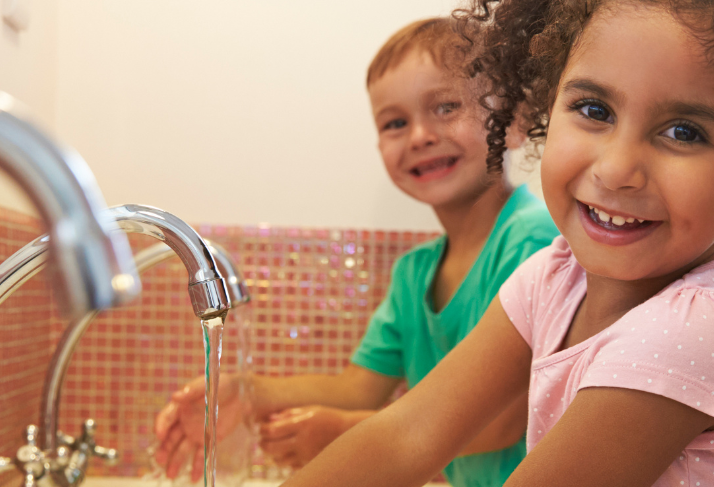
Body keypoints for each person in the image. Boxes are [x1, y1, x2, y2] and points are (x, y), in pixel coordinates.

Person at [278, 0, 714, 486]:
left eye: (684, 132)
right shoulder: (553, 277)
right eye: (593, 109)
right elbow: (408, 434)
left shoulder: (696, 329)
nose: (616, 169)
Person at [150, 16, 561, 487]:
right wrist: (247, 394)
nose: (419, 135)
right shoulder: (414, 273)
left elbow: (502, 421)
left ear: (516, 122)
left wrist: (342, 434)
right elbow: (358, 387)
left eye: (446, 107)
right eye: (395, 123)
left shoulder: (534, 241)